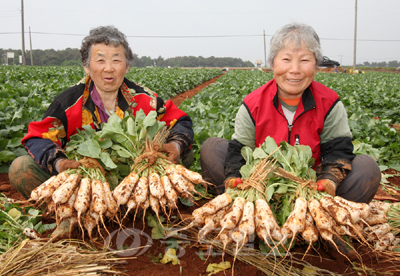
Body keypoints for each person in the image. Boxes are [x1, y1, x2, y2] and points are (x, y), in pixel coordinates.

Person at [200, 22, 381, 204]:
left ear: (316, 65)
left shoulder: (329, 103)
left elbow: (338, 150)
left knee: (366, 168)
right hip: (262, 188)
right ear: (272, 63)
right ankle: (246, 208)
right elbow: (239, 151)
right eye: (286, 60)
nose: (295, 70)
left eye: (304, 60)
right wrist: (233, 176)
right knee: (212, 148)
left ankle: (322, 216)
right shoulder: (252, 104)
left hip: (312, 190)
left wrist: (329, 179)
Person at [9, 25, 194, 200]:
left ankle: (142, 204)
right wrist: (60, 163)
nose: (109, 68)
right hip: (85, 185)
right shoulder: (68, 103)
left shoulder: (144, 99)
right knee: (21, 168)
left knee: (185, 154)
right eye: (100, 60)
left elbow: (180, 121)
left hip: (136, 180)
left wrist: (176, 145)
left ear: (127, 66)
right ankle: (75, 210)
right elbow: (37, 138)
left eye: (116, 60)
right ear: (87, 67)